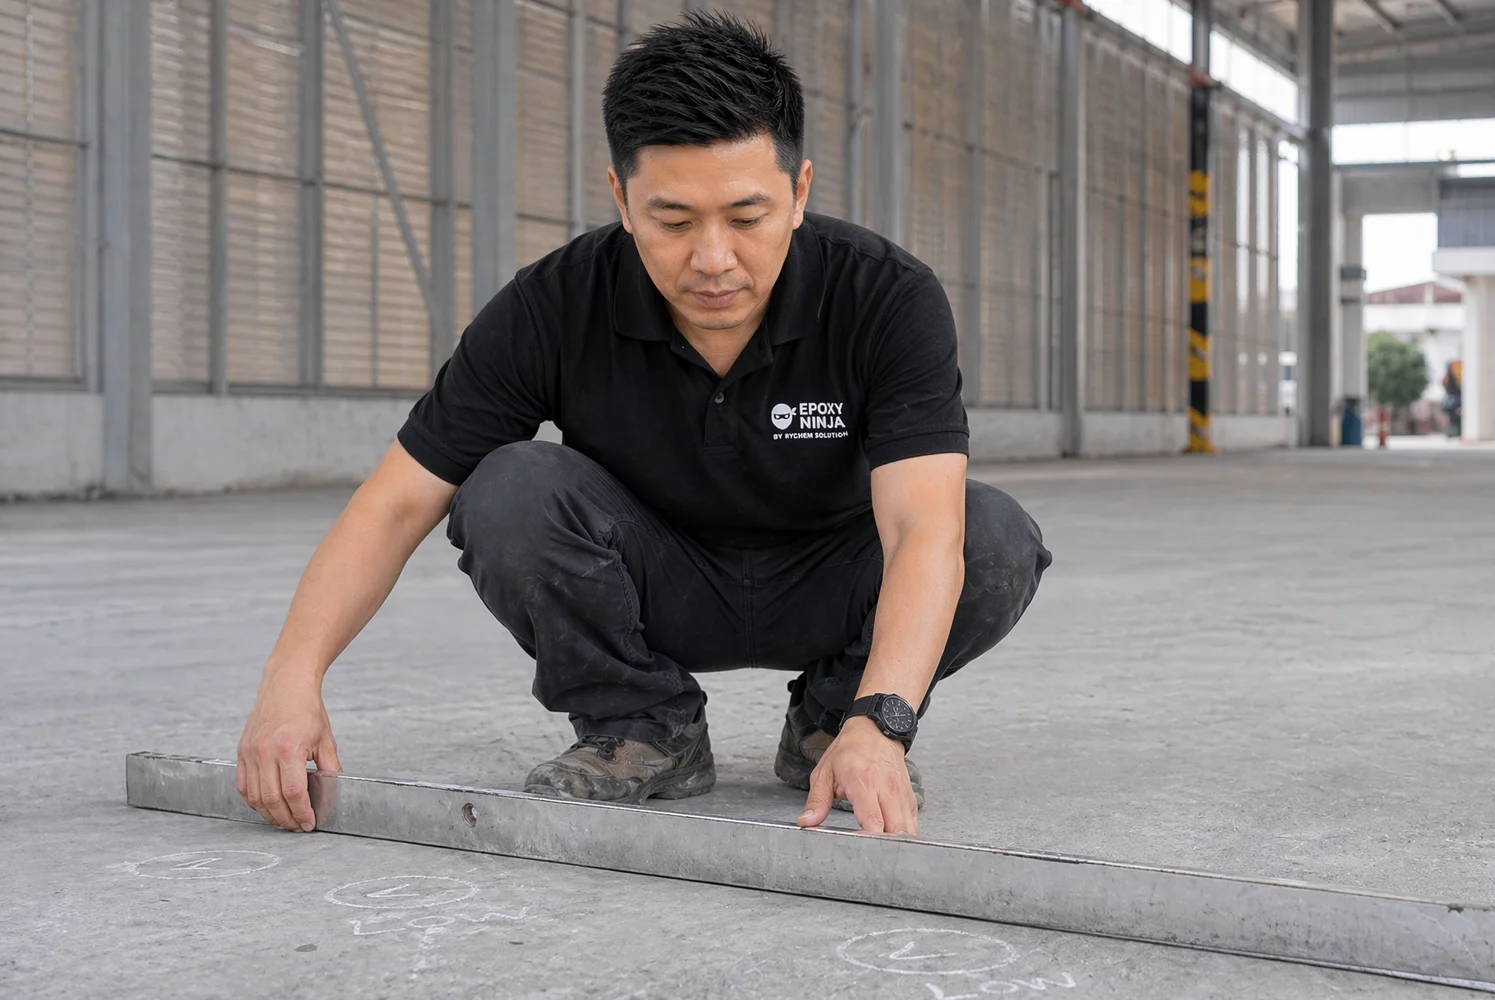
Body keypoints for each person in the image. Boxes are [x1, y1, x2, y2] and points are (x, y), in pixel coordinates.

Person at [234, 12, 1050, 839]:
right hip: (657, 580)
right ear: (622, 197)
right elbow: (395, 503)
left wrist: (883, 720)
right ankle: (642, 726)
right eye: (673, 221)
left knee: (987, 535)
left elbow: (920, 530)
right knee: (507, 485)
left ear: (799, 192)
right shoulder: (554, 304)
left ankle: (835, 727)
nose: (712, 259)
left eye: (746, 216)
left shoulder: (884, 296)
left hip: (830, 582)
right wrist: (289, 678)